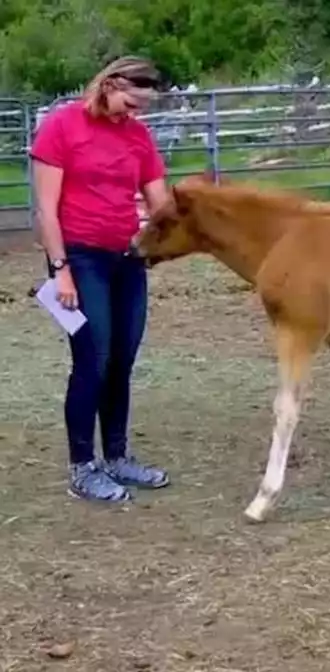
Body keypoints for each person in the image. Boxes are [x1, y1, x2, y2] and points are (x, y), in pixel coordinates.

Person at [29, 56, 173, 502]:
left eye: (141, 108)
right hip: (80, 258)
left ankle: (116, 457)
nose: (133, 114)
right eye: (130, 102)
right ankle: (82, 467)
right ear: (109, 84)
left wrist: (172, 229)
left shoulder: (137, 136)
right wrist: (60, 270)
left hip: (127, 259)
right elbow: (45, 210)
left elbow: (160, 201)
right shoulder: (62, 126)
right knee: (94, 359)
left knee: (122, 360)